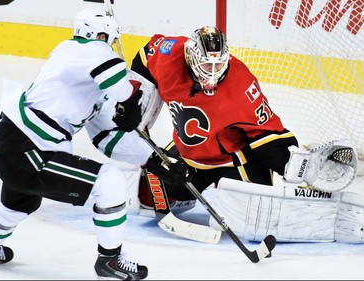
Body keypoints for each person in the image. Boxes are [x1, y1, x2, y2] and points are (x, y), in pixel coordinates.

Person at [0, 7, 189, 280]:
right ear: (103, 35)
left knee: (16, 206)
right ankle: (110, 260)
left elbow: (106, 138)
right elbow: (118, 83)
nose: (113, 48)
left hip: (21, 147)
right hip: (28, 149)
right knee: (109, 182)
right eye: (112, 40)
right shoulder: (81, 50)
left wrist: (155, 161)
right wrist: (129, 100)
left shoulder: (88, 79)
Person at [128, 26, 358, 242]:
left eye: (218, 65)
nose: (213, 73)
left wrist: (296, 165)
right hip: (189, 156)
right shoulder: (169, 55)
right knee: (144, 199)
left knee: (259, 221)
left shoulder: (240, 83)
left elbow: (267, 134)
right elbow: (144, 55)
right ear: (191, 58)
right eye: (207, 66)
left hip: (234, 161)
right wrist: (137, 97)